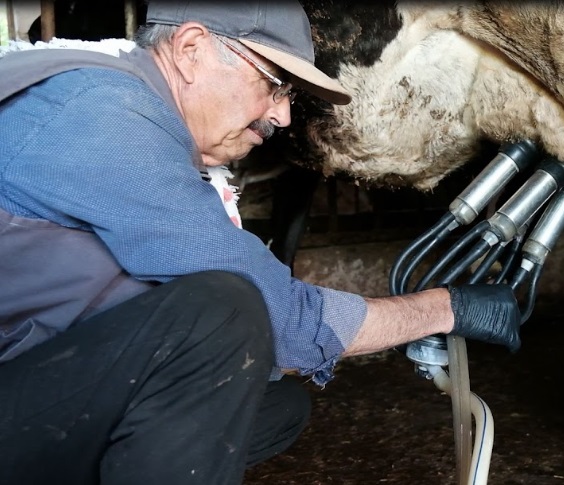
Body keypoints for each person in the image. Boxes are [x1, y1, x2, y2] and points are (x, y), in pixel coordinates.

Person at [0, 2, 521, 484]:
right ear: (190, 50)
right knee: (222, 311)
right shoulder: (102, 113)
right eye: (274, 84)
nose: (283, 116)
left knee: (271, 407)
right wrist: (442, 308)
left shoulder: (113, 100)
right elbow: (281, 319)